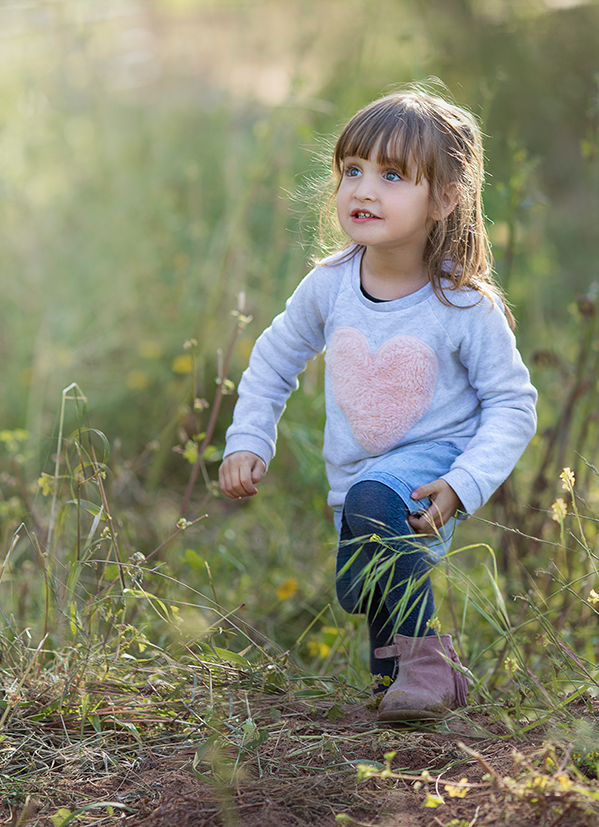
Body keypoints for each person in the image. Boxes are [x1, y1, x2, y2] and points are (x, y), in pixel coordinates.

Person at [218, 84, 537, 721]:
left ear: (444, 197)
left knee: (374, 504)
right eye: (353, 171)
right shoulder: (330, 285)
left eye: (392, 176)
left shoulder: (462, 305)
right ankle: (397, 685)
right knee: (369, 575)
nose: (364, 190)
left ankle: (432, 668)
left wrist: (464, 483)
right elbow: (275, 358)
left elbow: (513, 403)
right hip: (358, 481)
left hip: (432, 470)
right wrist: (249, 437)